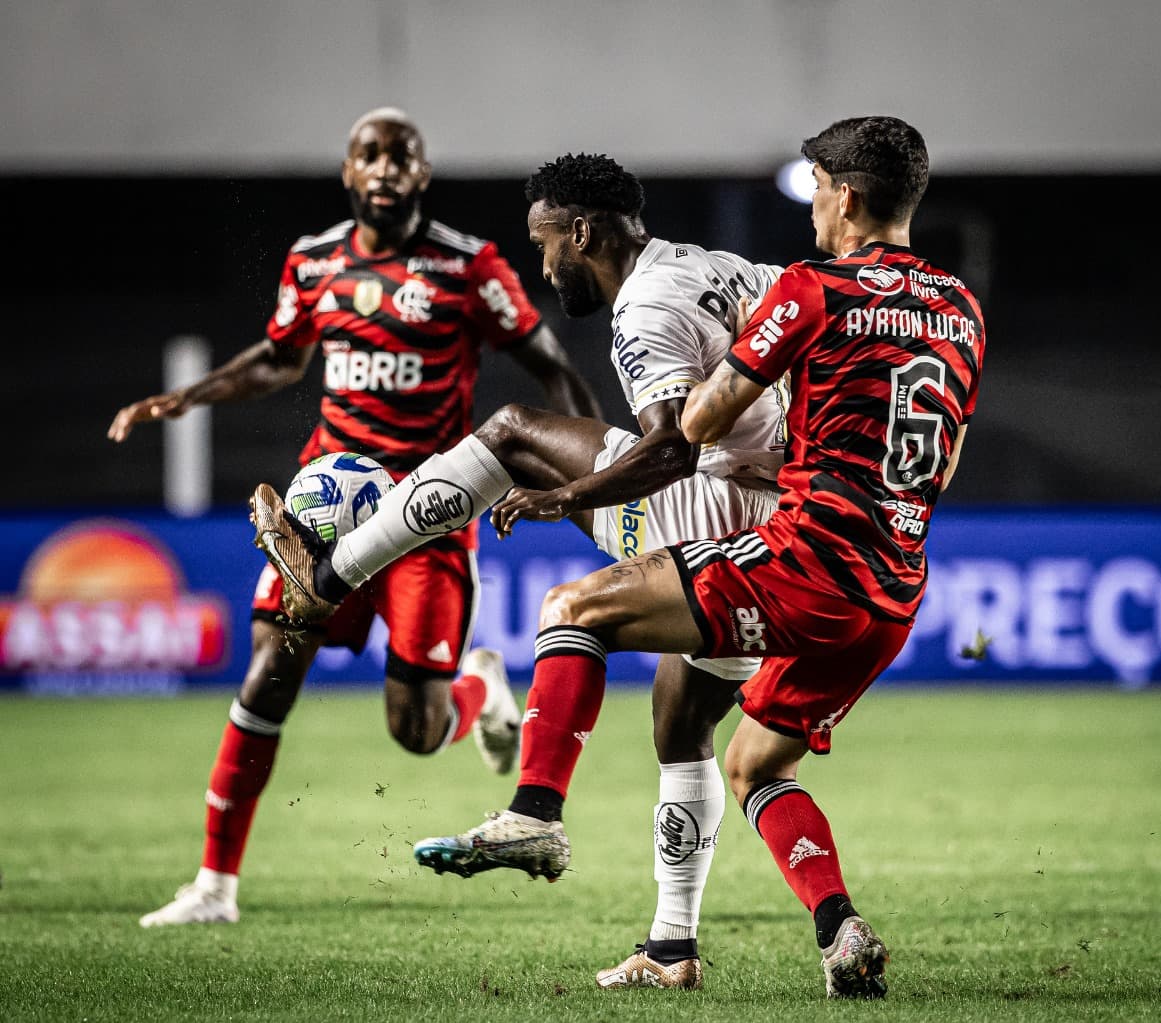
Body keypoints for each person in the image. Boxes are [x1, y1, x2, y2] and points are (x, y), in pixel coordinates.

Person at [406, 115, 986, 999]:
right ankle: (833, 931)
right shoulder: (961, 307)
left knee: (575, 608)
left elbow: (695, 426)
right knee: (752, 760)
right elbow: (934, 455)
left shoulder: (810, 288)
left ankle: (534, 815)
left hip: (806, 557)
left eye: (821, 190)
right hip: (896, 582)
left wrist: (698, 425)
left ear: (851, 196)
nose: (816, 208)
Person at [249, 153, 790, 988]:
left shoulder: (644, 303)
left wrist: (566, 491)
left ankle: (328, 576)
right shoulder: (725, 269)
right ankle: (673, 947)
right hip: (774, 537)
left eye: (546, 245)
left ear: (583, 232)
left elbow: (670, 449)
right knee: (683, 729)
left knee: (509, 435)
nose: (544, 266)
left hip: (707, 514)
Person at [108, 107, 601, 928]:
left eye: (400, 156)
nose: (384, 168)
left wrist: (596, 473)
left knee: (416, 731)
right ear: (347, 172)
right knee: (271, 666)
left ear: (421, 174)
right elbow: (278, 356)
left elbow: (547, 364)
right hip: (324, 512)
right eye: (368, 155)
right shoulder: (314, 262)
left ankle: (477, 691)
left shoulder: (467, 267)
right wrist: (187, 396)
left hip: (430, 513)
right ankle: (213, 886)